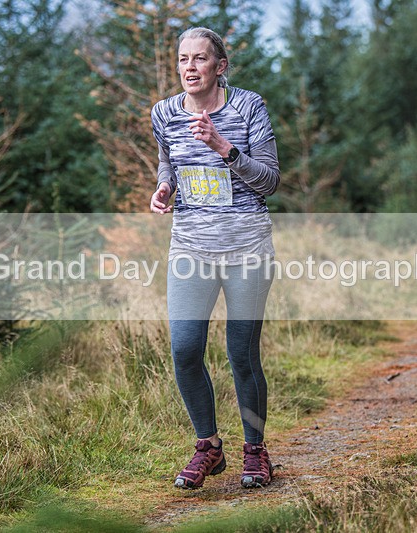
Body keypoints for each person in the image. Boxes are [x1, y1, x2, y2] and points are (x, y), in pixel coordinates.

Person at [149, 27, 280, 490]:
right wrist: (165, 186)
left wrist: (224, 148)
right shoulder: (163, 113)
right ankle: (208, 447)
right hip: (190, 249)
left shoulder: (248, 107)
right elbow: (168, 161)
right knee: (185, 350)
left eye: (199, 59)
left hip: (247, 249)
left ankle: (255, 451)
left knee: (240, 354)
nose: (189, 67)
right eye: (183, 59)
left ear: (219, 66)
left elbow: (268, 181)